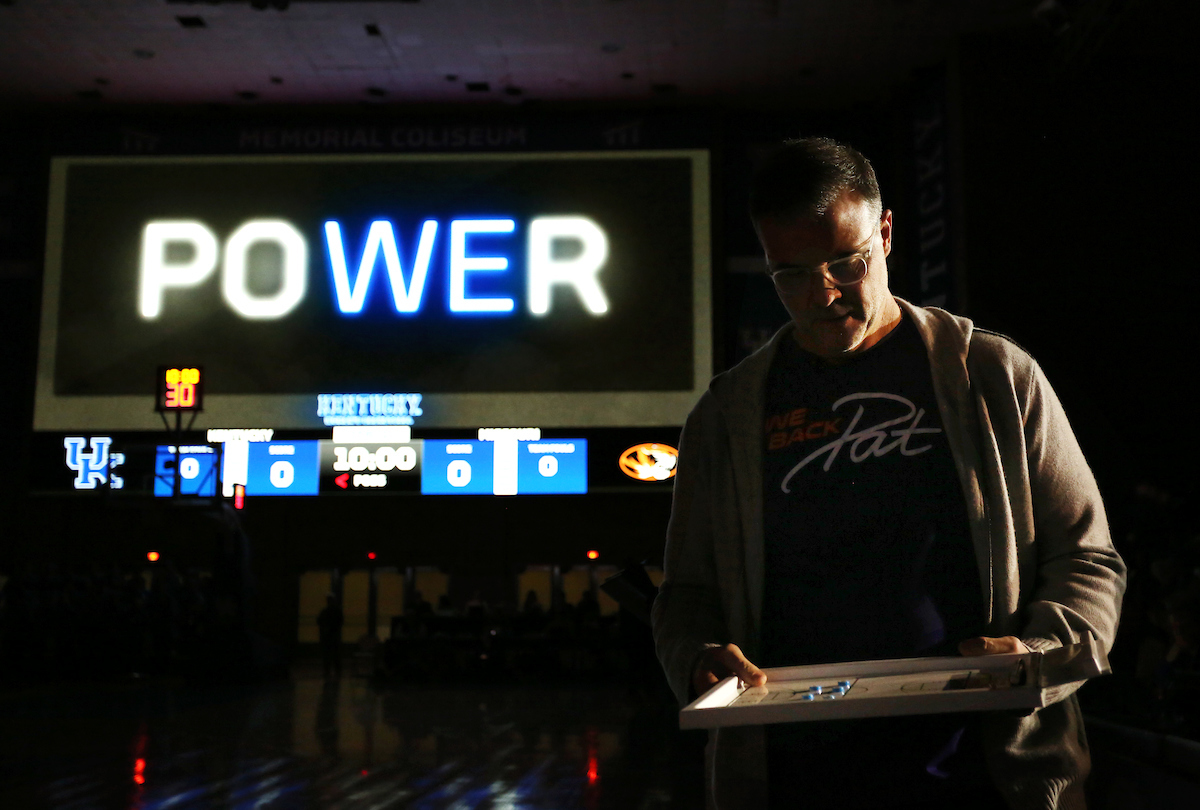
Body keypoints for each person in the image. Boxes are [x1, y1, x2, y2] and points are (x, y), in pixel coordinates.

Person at [651, 137, 1126, 809]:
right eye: (792, 273)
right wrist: (698, 658)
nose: (824, 294)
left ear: (888, 231)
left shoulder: (992, 376)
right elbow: (686, 594)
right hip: (796, 779)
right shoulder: (727, 416)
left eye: (848, 262)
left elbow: (1087, 559)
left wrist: (1035, 649)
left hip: (982, 771)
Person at [317, 592, 344, 680]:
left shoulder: (326, 611)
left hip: (329, 636)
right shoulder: (335, 611)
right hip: (332, 636)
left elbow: (319, 621)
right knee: (332, 654)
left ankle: (330, 670)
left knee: (330, 654)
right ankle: (335, 670)